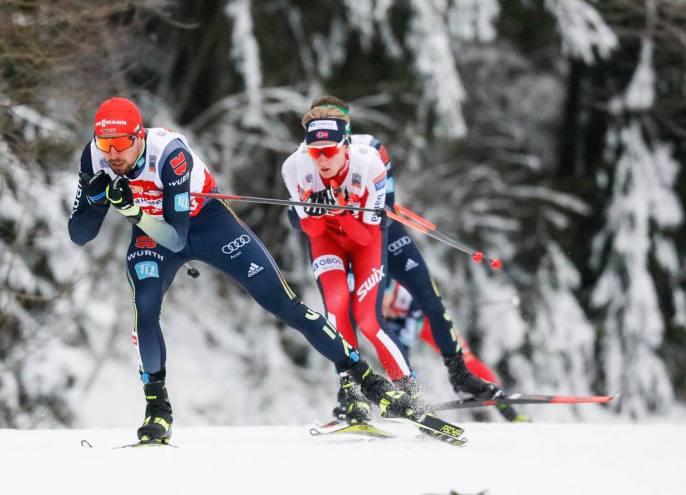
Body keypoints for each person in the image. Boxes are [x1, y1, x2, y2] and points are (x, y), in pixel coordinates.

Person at [68, 97, 419, 443]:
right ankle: (157, 409)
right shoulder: (95, 157)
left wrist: (130, 210)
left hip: (205, 223)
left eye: (121, 144)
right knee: (144, 309)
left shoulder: (169, 154)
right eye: (105, 143)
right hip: (151, 233)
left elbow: (177, 239)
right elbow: (80, 234)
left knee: (282, 303)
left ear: (140, 136)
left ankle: (367, 379)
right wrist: (96, 203)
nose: (112, 154)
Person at [286, 96, 506, 423]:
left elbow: (381, 218)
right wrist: (314, 209)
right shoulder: (300, 163)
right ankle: (353, 394)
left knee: (421, 300)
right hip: (332, 240)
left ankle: (455, 376)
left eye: (341, 118)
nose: (321, 156)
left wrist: (347, 210)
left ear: (345, 129)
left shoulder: (372, 153)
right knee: (339, 307)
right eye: (313, 148)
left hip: (380, 234)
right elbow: (301, 222)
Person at [382, 280, 530, 422]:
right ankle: (415, 406)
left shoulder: (405, 291)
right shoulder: (379, 301)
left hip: (428, 322)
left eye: (384, 300)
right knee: (396, 364)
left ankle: (502, 400)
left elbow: (426, 285)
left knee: (465, 359)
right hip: (405, 328)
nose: (383, 308)